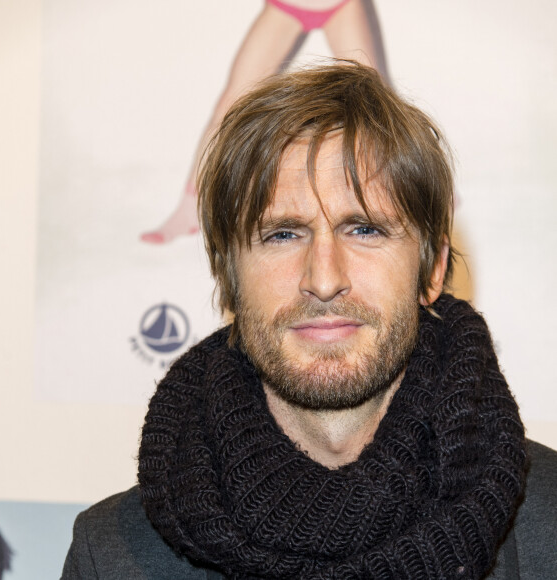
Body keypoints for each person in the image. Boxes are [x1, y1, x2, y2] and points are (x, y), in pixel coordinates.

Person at [62, 62, 557, 579]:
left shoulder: (550, 521)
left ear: (432, 270)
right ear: (228, 277)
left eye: (364, 229)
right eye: (282, 234)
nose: (323, 279)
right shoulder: (111, 554)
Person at [140, 0, 389, 244]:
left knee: (374, 102)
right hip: (287, 6)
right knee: (232, 103)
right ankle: (190, 207)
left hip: (341, 5)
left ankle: (391, 197)